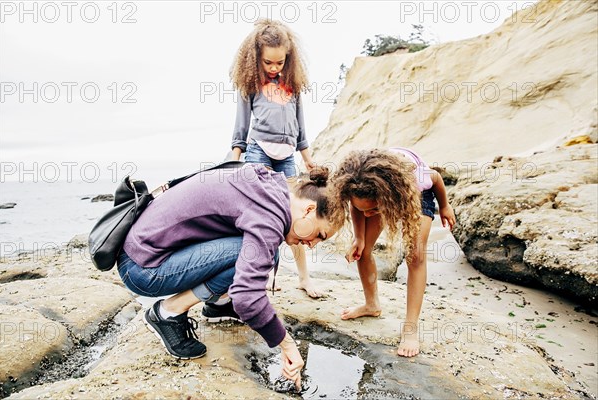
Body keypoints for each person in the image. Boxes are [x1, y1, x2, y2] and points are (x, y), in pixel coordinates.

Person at [117, 163, 344, 390]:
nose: (312, 245)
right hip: (142, 268)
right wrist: (286, 344)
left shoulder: (271, 185)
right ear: (308, 210)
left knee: (267, 255)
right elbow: (247, 297)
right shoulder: (269, 214)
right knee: (249, 254)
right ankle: (167, 313)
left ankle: (219, 303)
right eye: (320, 235)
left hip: (144, 248)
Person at [331, 148, 456, 357]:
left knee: (415, 256)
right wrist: (359, 238)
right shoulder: (359, 185)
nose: (368, 215)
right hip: (380, 193)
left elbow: (436, 178)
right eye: (363, 210)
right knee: (362, 250)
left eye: (372, 211)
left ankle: (410, 329)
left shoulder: (417, 180)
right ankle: (371, 305)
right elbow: (359, 207)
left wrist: (445, 206)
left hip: (414, 194)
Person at [228, 19, 321, 298]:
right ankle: (262, 275)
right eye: (268, 62)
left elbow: (300, 125)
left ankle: (304, 277)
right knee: (262, 217)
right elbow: (241, 125)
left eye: (279, 62)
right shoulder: (251, 84)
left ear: (288, 59)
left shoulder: (293, 84)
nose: (273, 68)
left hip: (287, 156)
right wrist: (235, 157)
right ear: (257, 57)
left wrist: (307, 158)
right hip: (258, 152)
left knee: (294, 219)